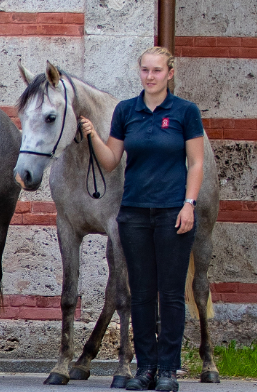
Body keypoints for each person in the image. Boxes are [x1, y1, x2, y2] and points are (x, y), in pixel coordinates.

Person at [79, 47, 204, 392]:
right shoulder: (126, 111)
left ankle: (167, 369)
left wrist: (189, 204)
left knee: (171, 293)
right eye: (145, 70)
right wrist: (92, 136)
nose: (150, 76)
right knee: (142, 293)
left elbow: (195, 163)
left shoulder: (185, 112)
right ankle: (146, 368)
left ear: (169, 73)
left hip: (172, 212)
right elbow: (110, 160)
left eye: (157, 70)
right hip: (133, 213)